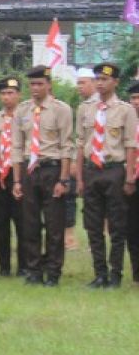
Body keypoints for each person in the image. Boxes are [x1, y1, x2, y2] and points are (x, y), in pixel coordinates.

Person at [75, 63, 138, 288]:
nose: (100, 83)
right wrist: (80, 178)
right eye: (97, 78)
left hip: (114, 170)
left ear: (115, 82)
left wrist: (130, 176)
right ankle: (99, 273)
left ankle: (116, 274)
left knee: (117, 226)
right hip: (93, 170)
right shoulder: (86, 109)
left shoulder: (125, 110)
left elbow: (130, 145)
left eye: (105, 79)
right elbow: (81, 143)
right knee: (92, 226)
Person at [12, 66, 73, 287]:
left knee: (54, 225)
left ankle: (53, 271)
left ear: (49, 85)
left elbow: (66, 145)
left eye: (40, 84)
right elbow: (17, 146)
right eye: (32, 84)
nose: (35, 88)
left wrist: (63, 179)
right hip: (30, 170)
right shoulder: (22, 110)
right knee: (30, 224)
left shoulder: (61, 109)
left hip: (52, 168)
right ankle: (34, 270)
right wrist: (17, 180)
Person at [0, 77, 25, 277]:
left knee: (22, 221)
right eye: (3, 93)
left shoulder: (26, 116)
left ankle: (24, 266)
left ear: (19, 94)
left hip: (19, 172)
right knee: (0, 222)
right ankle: (4, 266)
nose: (7, 97)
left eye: (11, 93)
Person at [68, 67, 99, 250]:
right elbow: (80, 139)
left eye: (82, 83)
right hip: (88, 163)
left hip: (106, 162)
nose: (79, 87)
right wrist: (75, 161)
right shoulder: (83, 107)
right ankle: (94, 240)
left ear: (94, 83)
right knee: (90, 205)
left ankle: (102, 238)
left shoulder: (107, 105)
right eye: (78, 83)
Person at [127, 81, 139, 285]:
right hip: (131, 179)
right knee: (132, 227)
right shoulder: (126, 122)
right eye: (133, 98)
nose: (136, 102)